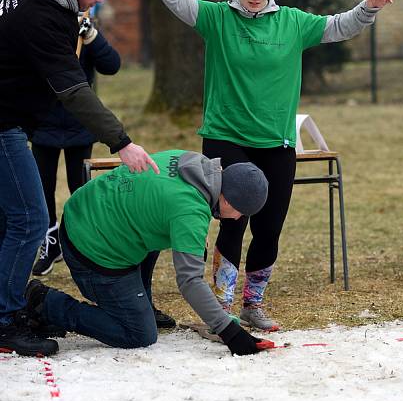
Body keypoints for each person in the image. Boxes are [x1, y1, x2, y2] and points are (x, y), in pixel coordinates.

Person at [158, 0, 395, 332]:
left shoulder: (293, 23)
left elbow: (339, 26)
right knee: (233, 221)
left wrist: (368, 8)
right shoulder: (216, 18)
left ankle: (254, 302)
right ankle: (221, 305)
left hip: (277, 141)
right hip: (226, 138)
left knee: (270, 226)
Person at [0, 0, 159, 358]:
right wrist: (122, 142)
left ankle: (10, 305)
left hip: (12, 120)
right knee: (32, 220)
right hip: (3, 125)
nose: (100, 0)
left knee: (8, 221)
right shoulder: (44, 14)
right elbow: (73, 90)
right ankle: (7, 319)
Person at [25, 149, 274, 357]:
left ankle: (139, 302)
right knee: (139, 333)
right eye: (242, 212)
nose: (240, 218)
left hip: (86, 211)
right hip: (92, 249)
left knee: (154, 228)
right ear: (229, 201)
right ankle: (45, 302)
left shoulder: (193, 162)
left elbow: (156, 205)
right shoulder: (190, 210)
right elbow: (190, 281)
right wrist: (228, 331)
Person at [31, 15, 121, 277]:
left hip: (79, 124)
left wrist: (91, 35)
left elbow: (111, 65)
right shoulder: (42, 28)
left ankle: (81, 245)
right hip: (43, 122)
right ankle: (50, 242)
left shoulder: (85, 32)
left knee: (79, 188)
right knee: (41, 186)